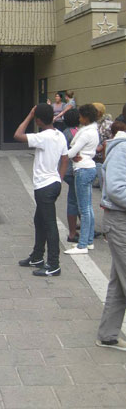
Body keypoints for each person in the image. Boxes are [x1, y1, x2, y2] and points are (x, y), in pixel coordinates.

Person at [14, 104, 68, 277]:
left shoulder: (42, 137)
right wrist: (59, 178)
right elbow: (65, 159)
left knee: (50, 225)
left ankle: (54, 264)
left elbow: (17, 135)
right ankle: (37, 257)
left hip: (44, 186)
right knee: (39, 221)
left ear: (38, 119)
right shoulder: (59, 135)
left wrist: (29, 115)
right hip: (53, 182)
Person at [96, 128, 126, 351]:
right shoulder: (122, 149)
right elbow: (116, 189)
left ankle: (108, 336)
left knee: (119, 281)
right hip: (119, 221)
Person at [63, 104, 99, 255]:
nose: (79, 118)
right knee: (88, 208)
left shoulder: (85, 133)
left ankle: (82, 244)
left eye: (81, 116)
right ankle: (89, 241)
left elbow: (71, 152)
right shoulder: (93, 131)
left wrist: (63, 153)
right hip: (88, 167)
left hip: (82, 169)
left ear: (86, 117)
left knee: (84, 209)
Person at [62, 109, 80, 243]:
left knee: (77, 199)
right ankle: (72, 233)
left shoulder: (65, 132)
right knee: (74, 200)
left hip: (67, 170)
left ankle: (82, 226)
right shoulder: (74, 132)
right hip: (72, 170)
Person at [92, 102, 113, 190]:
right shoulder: (94, 123)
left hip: (102, 155)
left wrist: (101, 147)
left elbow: (111, 138)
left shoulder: (108, 124)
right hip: (94, 155)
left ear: (99, 112)